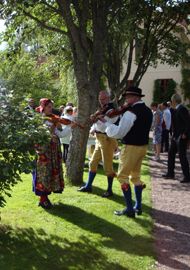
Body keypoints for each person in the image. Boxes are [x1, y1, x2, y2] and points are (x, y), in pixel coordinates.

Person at [97, 86, 152, 217]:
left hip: (131, 147)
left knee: (122, 176)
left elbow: (120, 133)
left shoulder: (131, 113)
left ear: (134, 98)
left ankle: (129, 209)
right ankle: (138, 206)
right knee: (136, 176)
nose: (126, 101)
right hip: (143, 147)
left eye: (127, 98)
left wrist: (107, 124)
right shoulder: (148, 111)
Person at [33, 98, 77, 209]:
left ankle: (45, 198)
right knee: (43, 174)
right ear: (43, 107)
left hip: (53, 149)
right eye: (49, 107)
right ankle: (42, 199)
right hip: (43, 151)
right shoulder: (38, 119)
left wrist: (70, 128)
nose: (51, 109)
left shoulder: (53, 119)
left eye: (51, 107)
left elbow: (59, 134)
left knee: (50, 173)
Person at [77, 90, 119, 198]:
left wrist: (95, 122)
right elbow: (97, 125)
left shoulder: (113, 111)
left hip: (107, 139)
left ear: (109, 99)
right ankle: (88, 186)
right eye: (100, 99)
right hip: (99, 139)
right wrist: (93, 126)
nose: (101, 102)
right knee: (92, 163)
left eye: (103, 99)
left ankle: (109, 190)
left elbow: (105, 126)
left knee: (107, 166)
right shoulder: (102, 110)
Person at [163, 94, 190, 183]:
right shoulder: (178, 109)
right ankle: (170, 172)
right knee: (171, 153)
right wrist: (173, 135)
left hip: (181, 137)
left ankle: (187, 176)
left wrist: (185, 134)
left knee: (182, 156)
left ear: (173, 101)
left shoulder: (182, 109)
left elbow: (188, 122)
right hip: (176, 136)